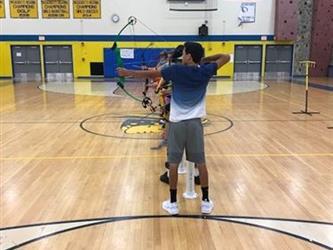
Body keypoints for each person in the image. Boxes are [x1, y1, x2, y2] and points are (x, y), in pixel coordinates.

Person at [117, 42, 230, 215]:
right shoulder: (205, 71)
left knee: (174, 164)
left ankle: (173, 203)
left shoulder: (175, 71)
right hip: (195, 125)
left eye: (184, 53)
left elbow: (150, 73)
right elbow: (226, 57)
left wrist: (127, 73)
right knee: (201, 163)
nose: (182, 56)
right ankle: (206, 202)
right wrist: (204, 60)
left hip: (177, 124)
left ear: (189, 56)